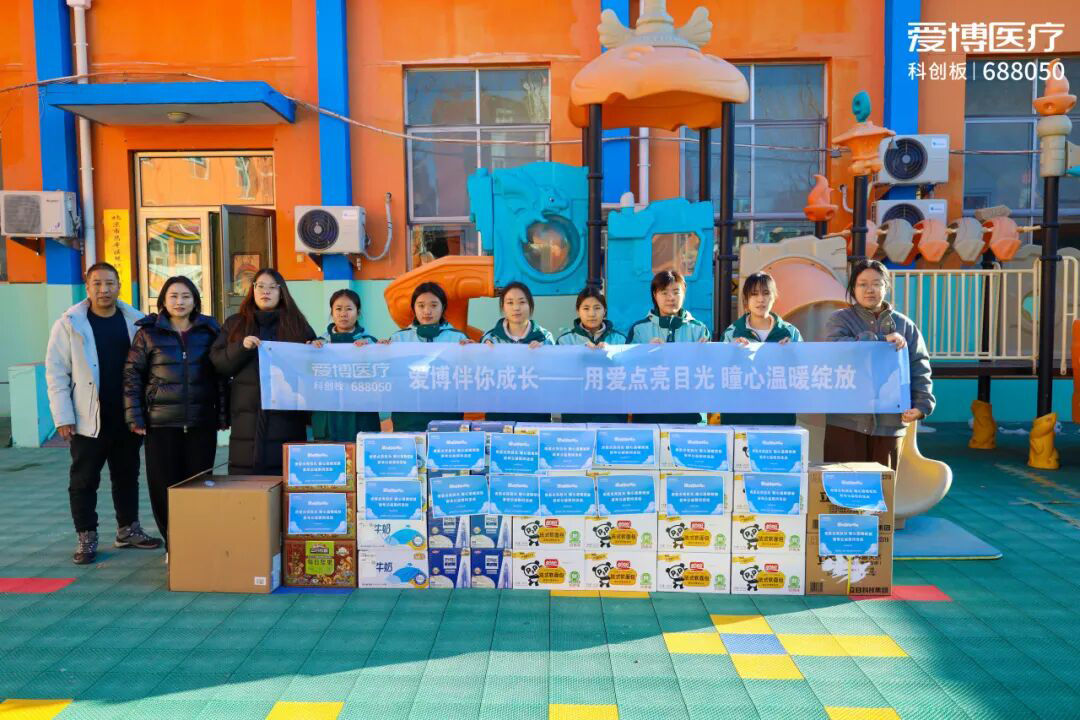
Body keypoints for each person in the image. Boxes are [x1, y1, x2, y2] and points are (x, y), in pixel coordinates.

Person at [45, 262, 162, 565]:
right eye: (97, 284)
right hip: (87, 418)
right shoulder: (69, 324)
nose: (104, 290)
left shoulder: (136, 321)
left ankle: (128, 530)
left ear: (119, 286)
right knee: (84, 479)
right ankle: (86, 536)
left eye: (110, 283)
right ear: (87, 287)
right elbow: (56, 373)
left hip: (127, 416)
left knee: (127, 475)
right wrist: (63, 416)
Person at [122, 276, 225, 550]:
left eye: (186, 296)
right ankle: (174, 543)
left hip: (201, 423)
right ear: (164, 301)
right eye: (174, 296)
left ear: (195, 301)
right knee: (163, 486)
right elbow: (132, 376)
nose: (180, 302)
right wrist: (135, 416)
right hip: (161, 424)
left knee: (198, 486)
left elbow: (220, 377)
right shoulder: (148, 333)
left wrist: (222, 415)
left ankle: (196, 543)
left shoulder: (209, 331)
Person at [824, 259, 935, 469]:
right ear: (853, 288)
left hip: (890, 423)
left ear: (886, 287)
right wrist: (880, 340)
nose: (870, 289)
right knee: (843, 485)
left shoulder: (905, 325)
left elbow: (919, 366)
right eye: (862, 284)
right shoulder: (840, 320)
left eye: (877, 283)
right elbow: (835, 350)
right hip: (845, 422)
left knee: (883, 486)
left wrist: (922, 405)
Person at [211, 268, 316, 475]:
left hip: (287, 417)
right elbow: (219, 363)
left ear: (281, 292)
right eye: (260, 286)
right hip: (245, 418)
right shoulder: (235, 323)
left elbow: (312, 367)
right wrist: (241, 347)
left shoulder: (297, 325)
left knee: (286, 477)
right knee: (245, 480)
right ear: (253, 290)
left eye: (272, 287)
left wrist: (314, 347)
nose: (265, 291)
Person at [627, 270, 709, 425]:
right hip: (649, 412)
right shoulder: (639, 329)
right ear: (655, 295)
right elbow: (626, 369)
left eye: (676, 292)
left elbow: (710, 373)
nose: (671, 298)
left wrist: (707, 355)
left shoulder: (699, 329)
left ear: (684, 293)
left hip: (690, 413)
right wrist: (644, 353)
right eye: (664, 293)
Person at [384, 282, 469, 432]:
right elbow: (388, 375)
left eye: (434, 305)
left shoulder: (458, 339)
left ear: (443, 307)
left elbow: (469, 375)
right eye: (421, 305)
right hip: (408, 417)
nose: (427, 311)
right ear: (413, 308)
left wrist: (473, 352)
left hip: (447, 414)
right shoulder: (398, 339)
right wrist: (376, 350)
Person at [720, 271, 803, 426]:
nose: (760, 299)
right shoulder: (732, 333)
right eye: (754, 294)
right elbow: (718, 377)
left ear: (774, 297)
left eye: (766, 293)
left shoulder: (790, 333)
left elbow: (804, 376)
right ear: (746, 299)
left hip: (779, 419)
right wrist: (732, 354)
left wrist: (791, 354)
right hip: (739, 420)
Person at [310, 289, 381, 440]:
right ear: (332, 312)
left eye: (349, 309)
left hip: (361, 417)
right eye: (338, 309)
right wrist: (307, 352)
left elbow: (383, 379)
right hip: (328, 418)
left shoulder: (370, 343)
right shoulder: (318, 344)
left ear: (358, 313)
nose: (343, 314)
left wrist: (371, 352)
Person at [481, 281, 555, 423]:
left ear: (530, 305)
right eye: (510, 303)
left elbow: (553, 373)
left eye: (522, 302)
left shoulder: (544, 338)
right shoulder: (490, 338)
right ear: (503, 307)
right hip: (499, 412)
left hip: (535, 413)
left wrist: (544, 353)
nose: (516, 308)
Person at [557, 286, 627, 423]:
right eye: (586, 308)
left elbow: (630, 373)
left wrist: (612, 354)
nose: (591, 314)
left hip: (612, 413)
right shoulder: (565, 341)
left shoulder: (620, 340)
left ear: (604, 311)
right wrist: (579, 353)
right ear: (578, 311)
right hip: (576, 414)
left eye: (597, 308)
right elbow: (558, 375)